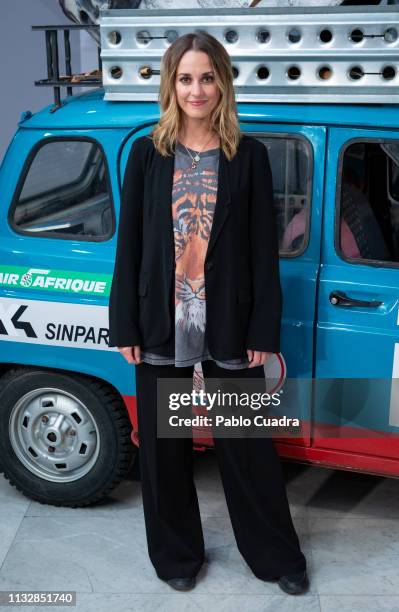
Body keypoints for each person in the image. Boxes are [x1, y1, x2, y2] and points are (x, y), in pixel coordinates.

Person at [108, 30, 308, 596]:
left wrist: (263, 328)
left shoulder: (250, 156)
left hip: (229, 323)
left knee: (245, 447)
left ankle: (275, 556)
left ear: (223, 82)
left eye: (208, 77)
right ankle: (175, 555)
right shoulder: (147, 153)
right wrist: (124, 322)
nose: (197, 89)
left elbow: (261, 252)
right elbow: (131, 248)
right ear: (172, 85)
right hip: (160, 324)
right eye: (186, 77)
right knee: (165, 450)